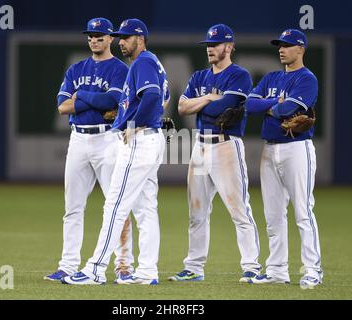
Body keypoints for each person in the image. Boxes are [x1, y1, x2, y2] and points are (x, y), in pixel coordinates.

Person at [62, 18, 169, 285]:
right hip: (152, 138)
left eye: (126, 38)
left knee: (115, 206)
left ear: (140, 38)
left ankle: (94, 270)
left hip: (141, 139)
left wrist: (134, 123)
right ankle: (146, 272)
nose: (121, 42)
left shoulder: (143, 61)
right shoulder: (152, 61)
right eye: (119, 37)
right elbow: (162, 98)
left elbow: (154, 96)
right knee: (146, 209)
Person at [168, 24, 262, 283]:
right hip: (199, 147)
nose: (210, 48)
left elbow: (225, 107)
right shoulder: (199, 76)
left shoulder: (239, 75)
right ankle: (194, 268)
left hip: (226, 145)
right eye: (208, 44)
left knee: (239, 209)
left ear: (229, 46)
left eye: (216, 44)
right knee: (196, 212)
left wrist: (205, 103)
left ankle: (252, 266)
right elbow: (182, 107)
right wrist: (209, 98)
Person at [44, 18, 134, 282]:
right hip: (79, 141)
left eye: (99, 35)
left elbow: (113, 100)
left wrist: (80, 97)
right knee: (72, 207)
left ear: (110, 39)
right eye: (90, 36)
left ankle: (123, 266)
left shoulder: (119, 69)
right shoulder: (75, 69)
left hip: (107, 140)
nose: (93, 39)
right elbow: (62, 106)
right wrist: (91, 101)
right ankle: (68, 266)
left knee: (116, 205)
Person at [245, 29, 323, 289]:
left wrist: (271, 105)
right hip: (270, 149)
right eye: (280, 45)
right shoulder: (271, 77)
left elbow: (287, 109)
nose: (281, 49)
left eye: (287, 45)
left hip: (296, 149)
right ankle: (277, 270)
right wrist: (273, 103)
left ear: (300, 49)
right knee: (273, 214)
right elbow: (249, 104)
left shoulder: (307, 78)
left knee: (302, 211)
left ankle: (313, 270)